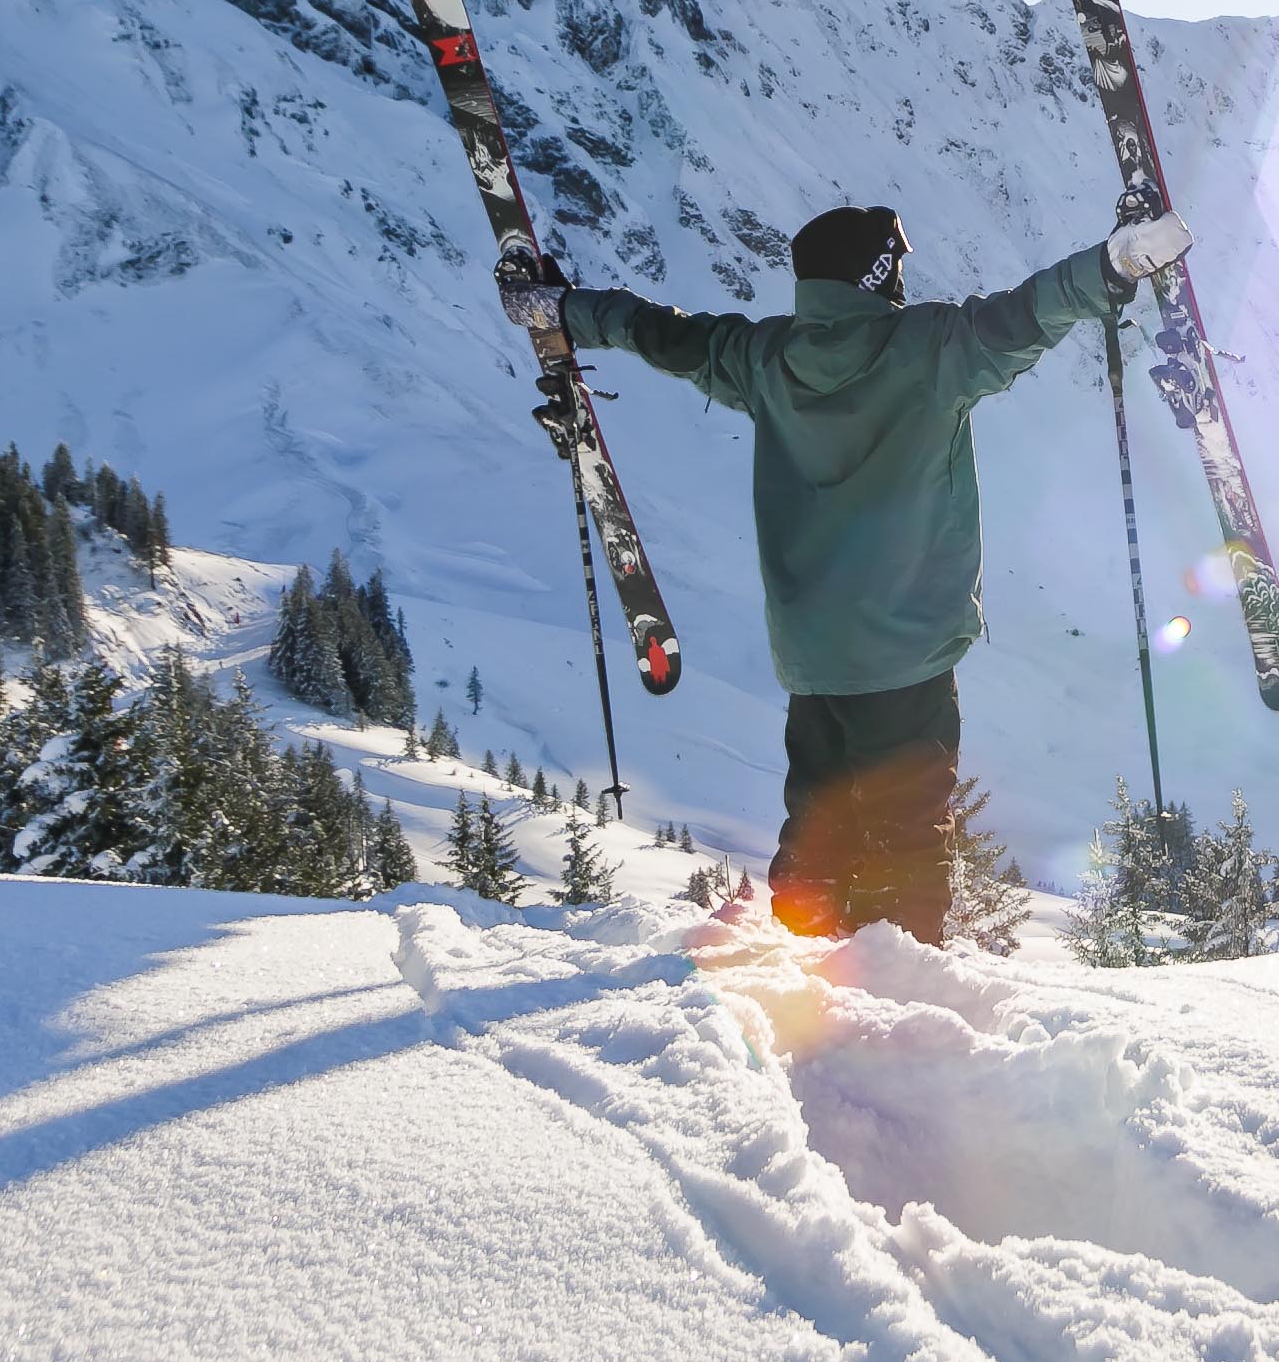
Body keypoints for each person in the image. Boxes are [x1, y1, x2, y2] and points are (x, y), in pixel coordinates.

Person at [504, 200, 1191, 940]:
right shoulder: (929, 350)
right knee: (907, 840)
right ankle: (898, 998)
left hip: (811, 654)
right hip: (905, 657)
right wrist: (1114, 265)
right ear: (876, 273)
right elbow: (1026, 316)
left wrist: (566, 309)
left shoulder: (764, 357)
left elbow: (657, 331)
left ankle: (802, 970)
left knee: (819, 825)